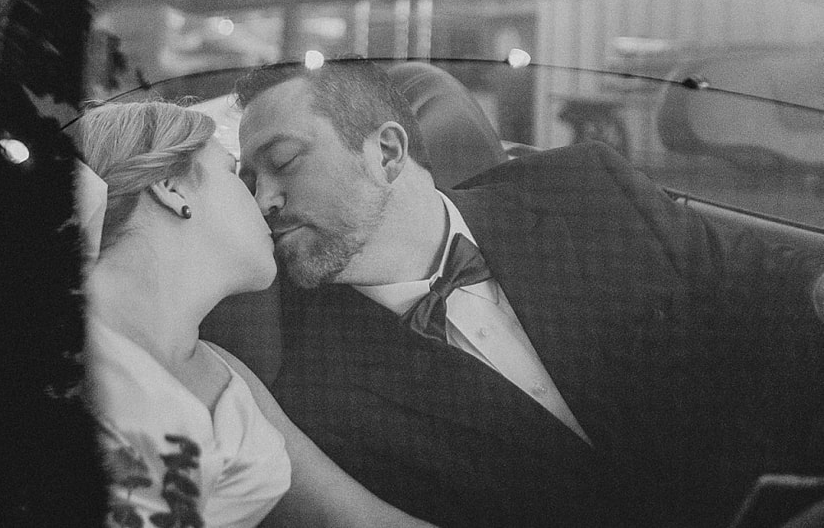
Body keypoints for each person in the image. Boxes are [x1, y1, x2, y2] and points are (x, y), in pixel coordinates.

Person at [233, 59, 824, 528]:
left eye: (283, 161)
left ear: (387, 152)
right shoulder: (303, 386)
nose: (264, 202)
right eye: (249, 180)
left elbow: (773, 289)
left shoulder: (585, 191)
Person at [75, 100, 436, 528]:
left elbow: (359, 521)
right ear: (171, 187)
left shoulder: (229, 375)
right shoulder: (65, 360)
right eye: (234, 174)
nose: (264, 203)